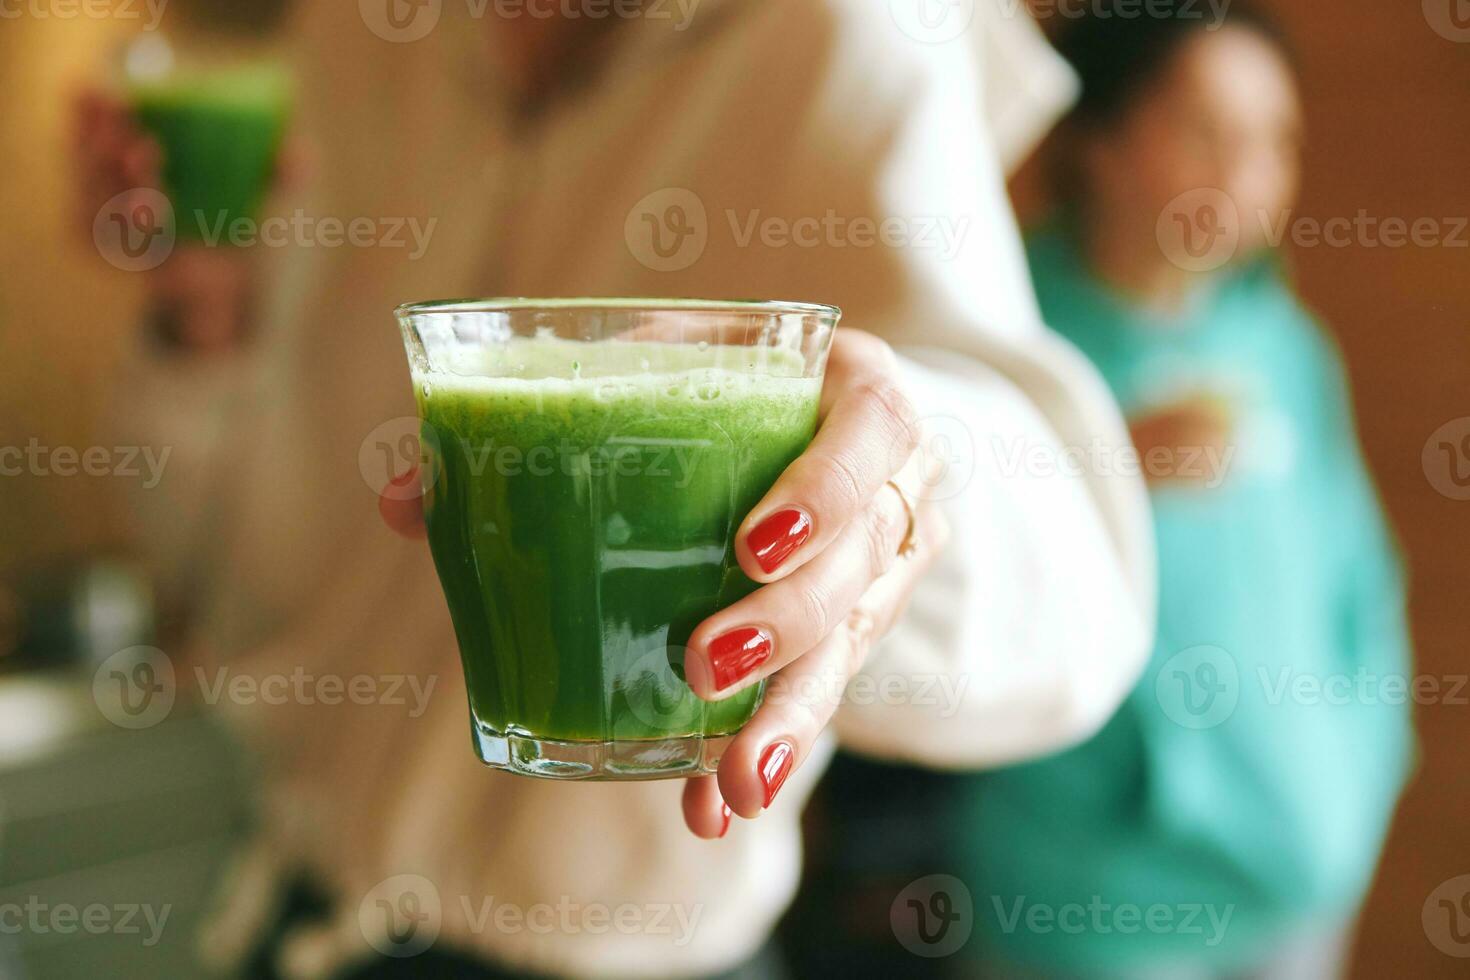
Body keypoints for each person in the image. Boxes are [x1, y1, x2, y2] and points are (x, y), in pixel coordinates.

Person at [75, 1, 1153, 976]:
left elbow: (1082, 612)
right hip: (292, 910)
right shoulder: (354, 35)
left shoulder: (846, 35)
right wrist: (206, 329)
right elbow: (244, 576)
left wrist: (891, 485)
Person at [959, 6, 1414, 978]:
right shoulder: (1007, 333)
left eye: (1274, 141)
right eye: (1208, 132)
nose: (1246, 174)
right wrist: (1106, 473)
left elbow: (1360, 583)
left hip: (1296, 876)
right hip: (1096, 896)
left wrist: (1356, 776)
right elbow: (943, 571)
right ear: (1104, 141)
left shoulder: (1286, 346)